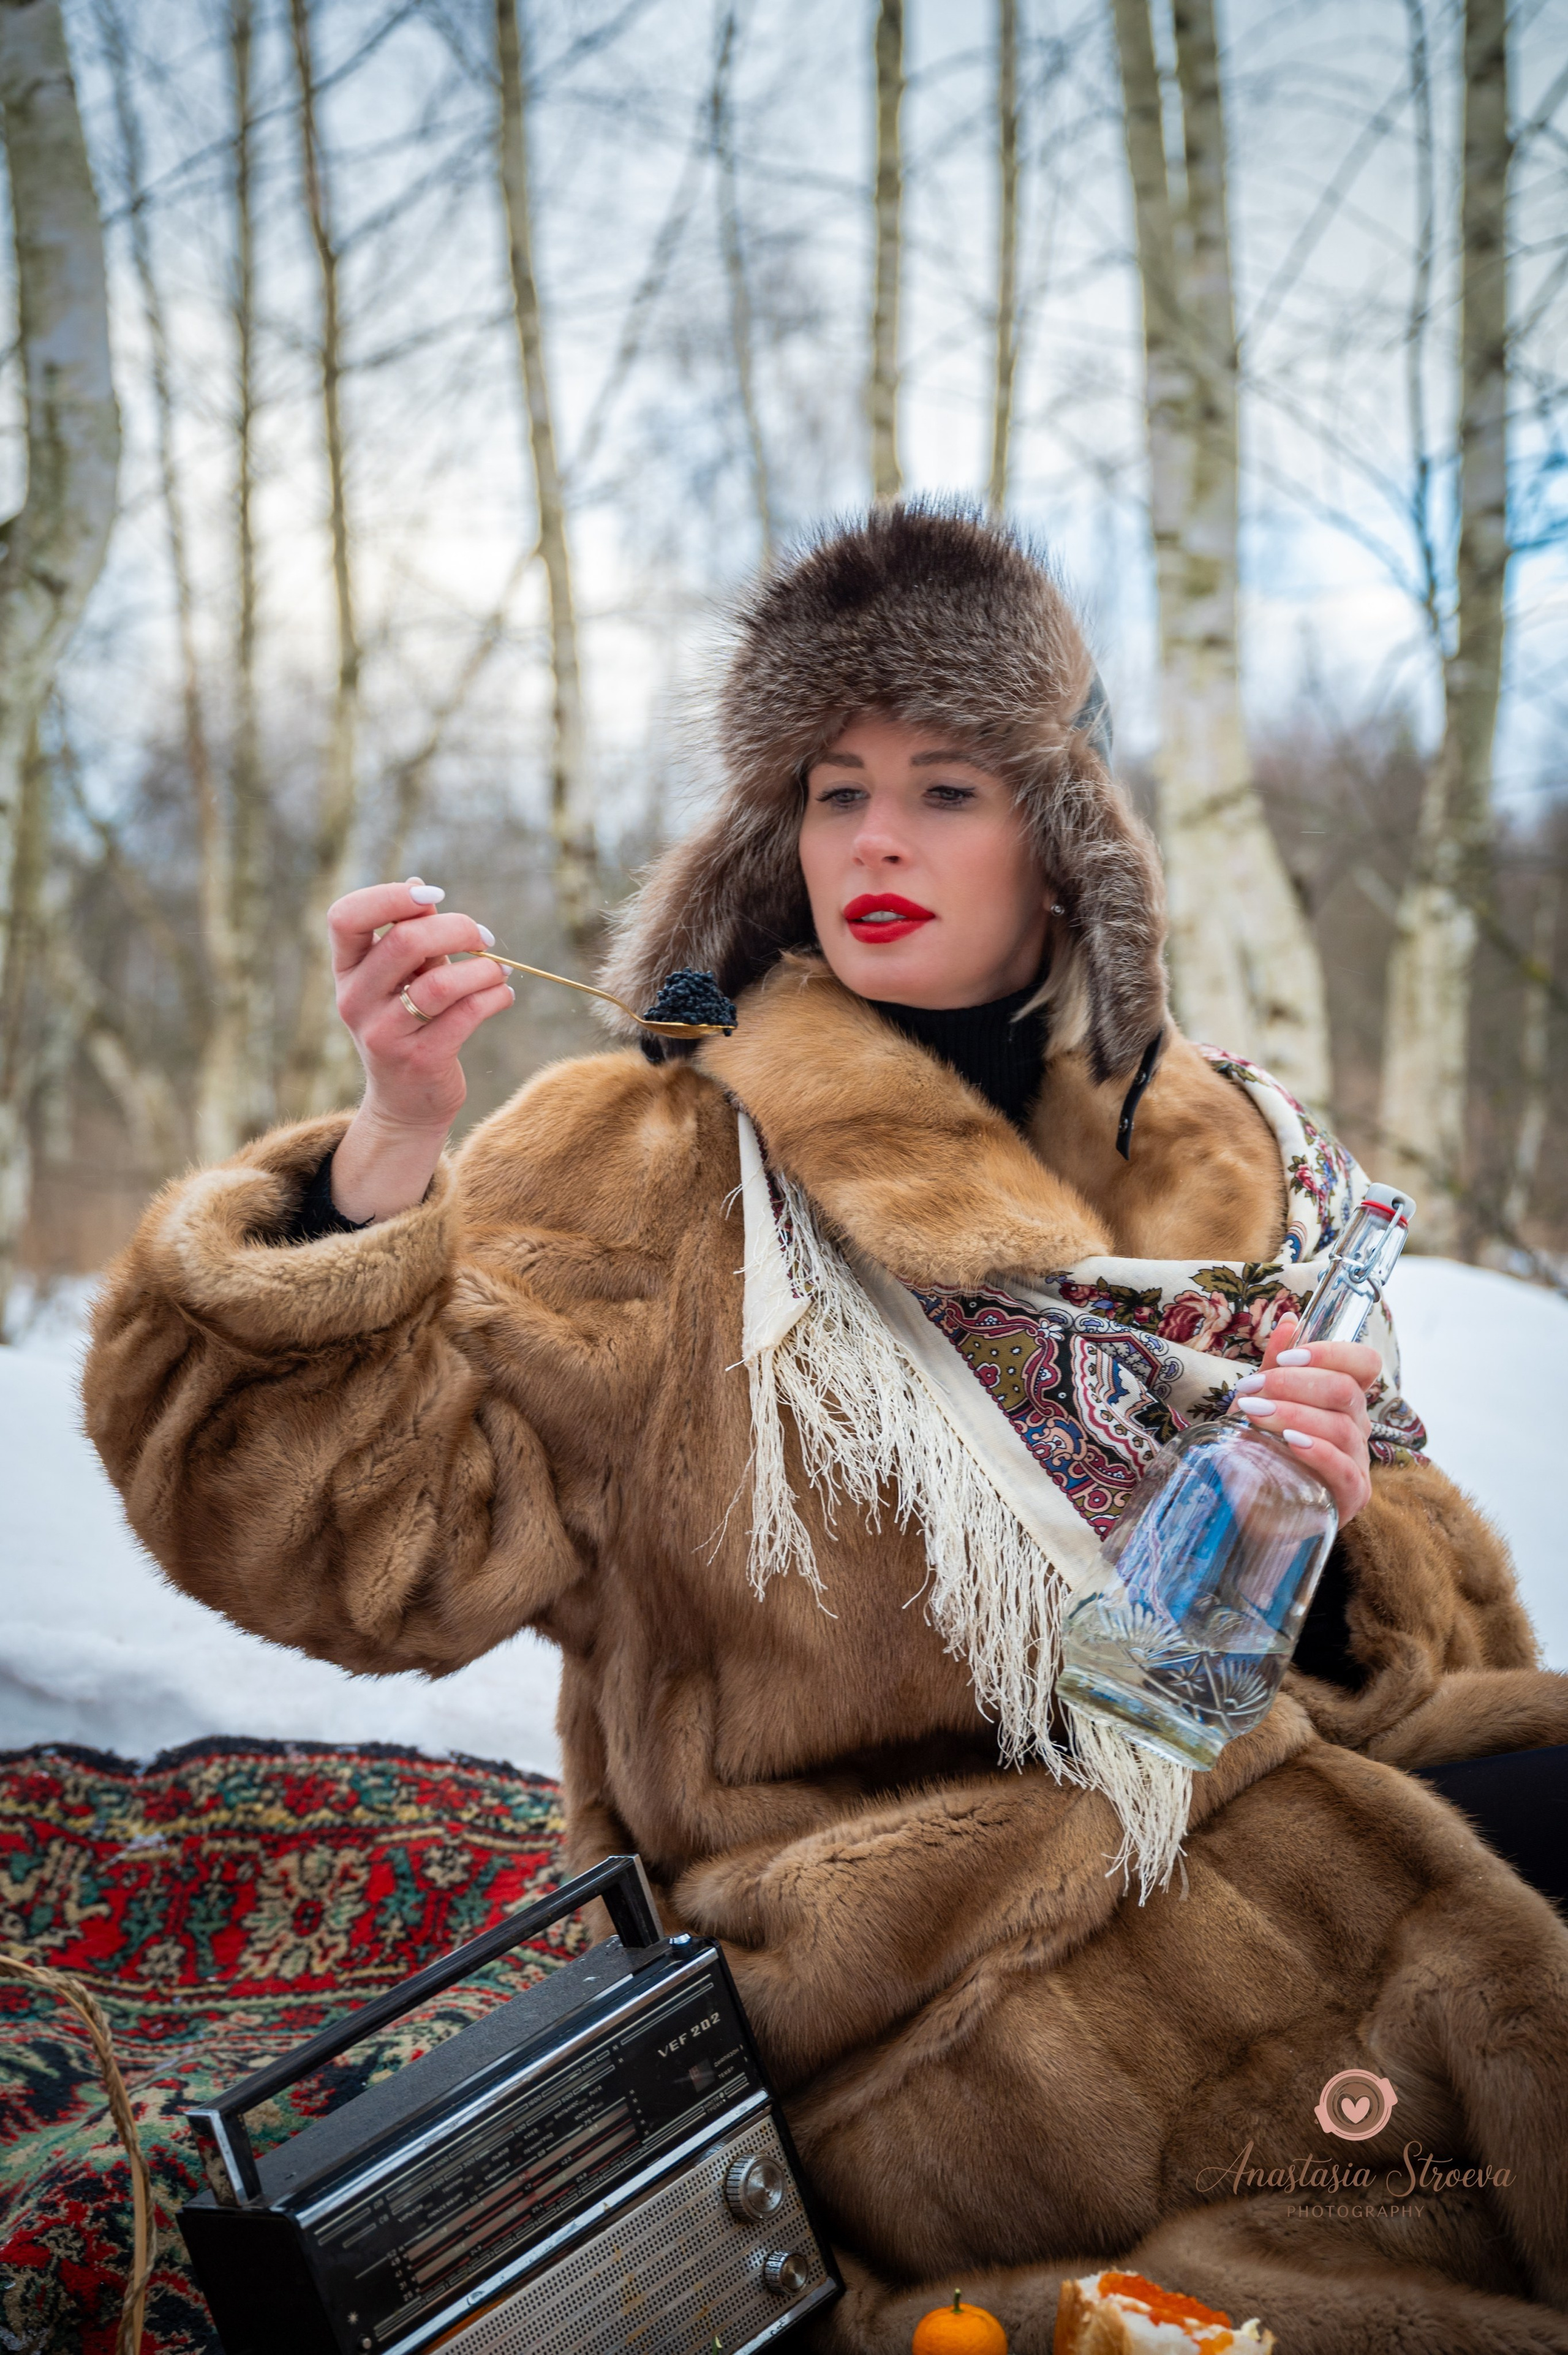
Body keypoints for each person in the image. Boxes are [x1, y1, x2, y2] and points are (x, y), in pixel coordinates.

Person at [85, 507, 1568, 2353]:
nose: (874, 836)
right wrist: (387, 1156)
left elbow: (1418, 1631)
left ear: (1062, 826)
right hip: (943, 1961)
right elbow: (365, 1554)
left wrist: (1324, 1524)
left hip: (1276, 1777)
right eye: (833, 784)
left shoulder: (1218, 1142)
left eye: (946, 785)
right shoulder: (636, 1163)